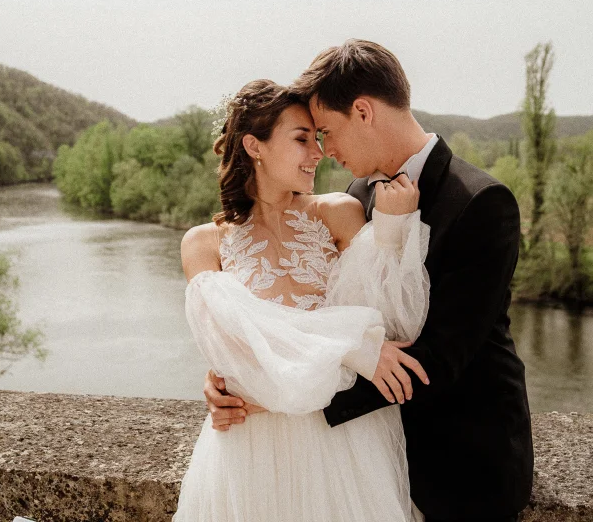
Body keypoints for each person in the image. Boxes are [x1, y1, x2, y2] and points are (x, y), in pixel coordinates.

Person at [207, 40, 534, 521]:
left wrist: (279, 396)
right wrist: (240, 373)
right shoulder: (357, 193)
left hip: (461, 464)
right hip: (366, 456)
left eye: (326, 131)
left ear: (363, 111)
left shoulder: (481, 201)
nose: (324, 151)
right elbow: (326, 309)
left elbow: (437, 360)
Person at [175, 79, 432, 521]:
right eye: (301, 139)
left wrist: (392, 231)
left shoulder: (339, 213)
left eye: (318, 138)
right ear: (255, 146)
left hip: (344, 445)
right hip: (250, 450)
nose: (318, 152)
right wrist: (353, 349)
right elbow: (237, 355)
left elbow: (395, 326)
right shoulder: (203, 245)